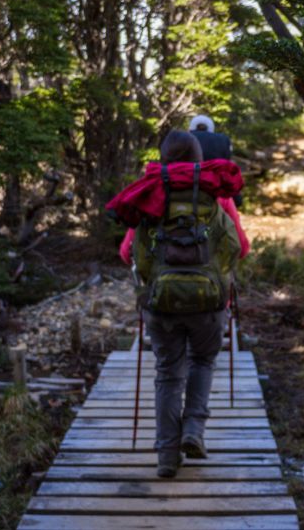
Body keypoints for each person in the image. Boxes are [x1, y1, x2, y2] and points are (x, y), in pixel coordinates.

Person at [106, 131, 248, 478]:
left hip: (162, 304)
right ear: (200, 159)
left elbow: (129, 253)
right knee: (203, 361)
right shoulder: (214, 199)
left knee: (168, 374)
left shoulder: (150, 196)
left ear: (164, 158)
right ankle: (193, 431)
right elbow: (238, 247)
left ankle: (167, 456)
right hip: (209, 303)